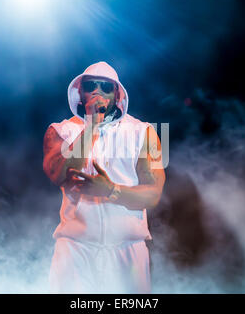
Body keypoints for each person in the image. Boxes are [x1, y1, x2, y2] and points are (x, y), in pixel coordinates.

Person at [43, 61, 165, 293]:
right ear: (80, 92)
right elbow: (59, 174)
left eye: (106, 87)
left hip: (128, 252)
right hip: (75, 252)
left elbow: (153, 194)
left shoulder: (144, 132)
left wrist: (111, 190)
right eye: (91, 85)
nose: (98, 91)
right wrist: (91, 126)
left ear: (118, 94)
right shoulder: (60, 130)